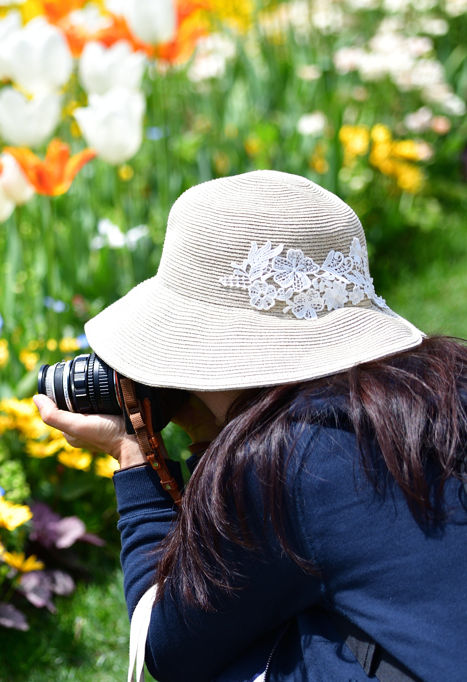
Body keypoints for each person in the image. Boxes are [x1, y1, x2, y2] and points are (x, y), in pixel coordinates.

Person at [34, 171, 467, 682]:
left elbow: (171, 648)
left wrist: (136, 458)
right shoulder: (448, 386)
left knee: (259, 655)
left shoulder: (287, 459)